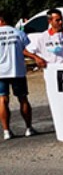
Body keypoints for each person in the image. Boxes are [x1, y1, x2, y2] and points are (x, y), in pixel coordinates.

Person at [0, 12, 46, 140]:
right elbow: (25, 50)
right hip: (17, 71)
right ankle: (28, 128)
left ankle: (6, 131)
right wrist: (36, 57)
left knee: (3, 100)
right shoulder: (18, 33)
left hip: (1, 72)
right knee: (23, 99)